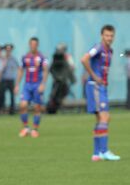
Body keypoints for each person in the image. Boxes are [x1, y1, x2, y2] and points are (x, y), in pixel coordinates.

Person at [81, 25, 121, 161]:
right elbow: (84, 59)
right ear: (102, 35)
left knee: (100, 119)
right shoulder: (98, 47)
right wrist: (93, 75)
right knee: (105, 117)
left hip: (100, 87)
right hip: (95, 86)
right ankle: (104, 151)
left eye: (111, 35)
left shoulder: (110, 51)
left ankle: (96, 153)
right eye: (107, 35)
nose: (109, 38)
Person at [14, 37, 48, 138]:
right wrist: (17, 85)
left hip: (37, 85)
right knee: (23, 105)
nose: (33, 46)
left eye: (35, 44)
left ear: (37, 45)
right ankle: (25, 128)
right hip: (27, 85)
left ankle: (35, 129)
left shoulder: (42, 57)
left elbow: (46, 70)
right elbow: (21, 70)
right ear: (29, 45)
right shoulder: (25, 57)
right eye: (31, 44)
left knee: (37, 107)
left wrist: (43, 84)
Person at [47, 43, 75, 114]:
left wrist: (66, 74)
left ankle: (60, 105)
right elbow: (52, 68)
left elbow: (71, 67)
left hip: (64, 80)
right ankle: (52, 108)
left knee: (63, 93)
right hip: (56, 80)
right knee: (54, 94)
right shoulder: (55, 57)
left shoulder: (67, 57)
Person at [0, 44, 18, 115]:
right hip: (4, 79)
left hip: (11, 79)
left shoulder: (13, 59)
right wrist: (4, 62)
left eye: (9, 50)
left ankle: (12, 110)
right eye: (7, 49)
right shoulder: (2, 59)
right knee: (2, 95)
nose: (8, 51)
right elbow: (0, 69)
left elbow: (18, 68)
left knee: (12, 96)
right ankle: (2, 109)